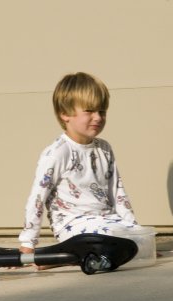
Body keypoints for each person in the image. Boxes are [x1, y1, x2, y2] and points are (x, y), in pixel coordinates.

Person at [18, 72, 139, 268]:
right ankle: (63, 256)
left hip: (106, 221)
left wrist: (136, 234)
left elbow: (117, 192)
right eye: (89, 111)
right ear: (65, 113)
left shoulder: (104, 148)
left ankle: (69, 256)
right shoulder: (57, 153)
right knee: (107, 240)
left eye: (102, 111)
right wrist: (27, 243)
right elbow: (38, 197)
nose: (98, 117)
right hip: (74, 225)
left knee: (135, 237)